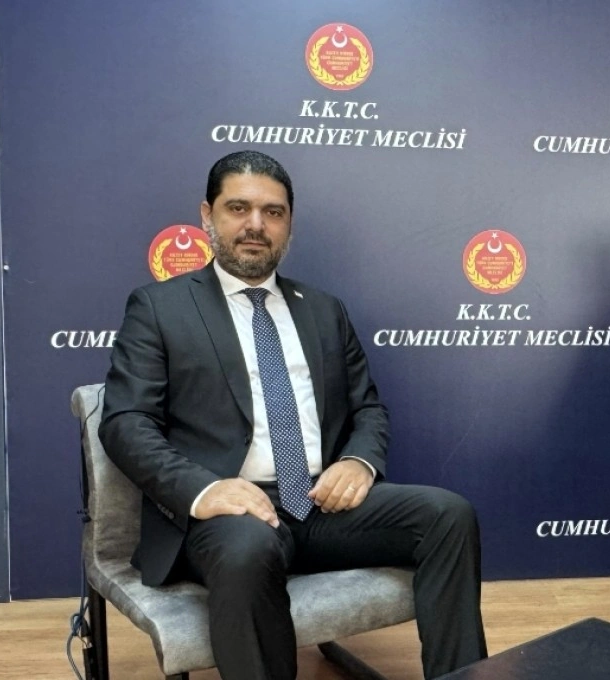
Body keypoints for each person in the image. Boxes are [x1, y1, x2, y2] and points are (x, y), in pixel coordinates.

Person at [100, 150, 487, 680]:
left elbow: (368, 408)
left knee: (448, 515)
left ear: (289, 224)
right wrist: (204, 489)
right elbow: (125, 422)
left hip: (319, 504)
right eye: (239, 208)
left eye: (273, 212)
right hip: (228, 515)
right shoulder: (159, 307)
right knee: (248, 547)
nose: (256, 225)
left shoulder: (324, 309)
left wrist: (357, 462)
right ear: (207, 215)